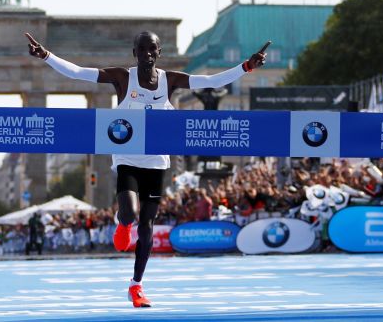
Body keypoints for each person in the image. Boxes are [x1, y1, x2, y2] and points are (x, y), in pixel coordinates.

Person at [24, 30, 265, 307]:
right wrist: (46, 56)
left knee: (148, 224)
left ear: (159, 53)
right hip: (127, 158)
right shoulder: (122, 78)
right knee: (130, 214)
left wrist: (246, 66)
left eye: (152, 50)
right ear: (134, 52)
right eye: (142, 49)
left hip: (157, 162)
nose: (147, 55)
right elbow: (79, 72)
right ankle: (123, 222)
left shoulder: (169, 80)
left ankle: (136, 286)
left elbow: (211, 80)